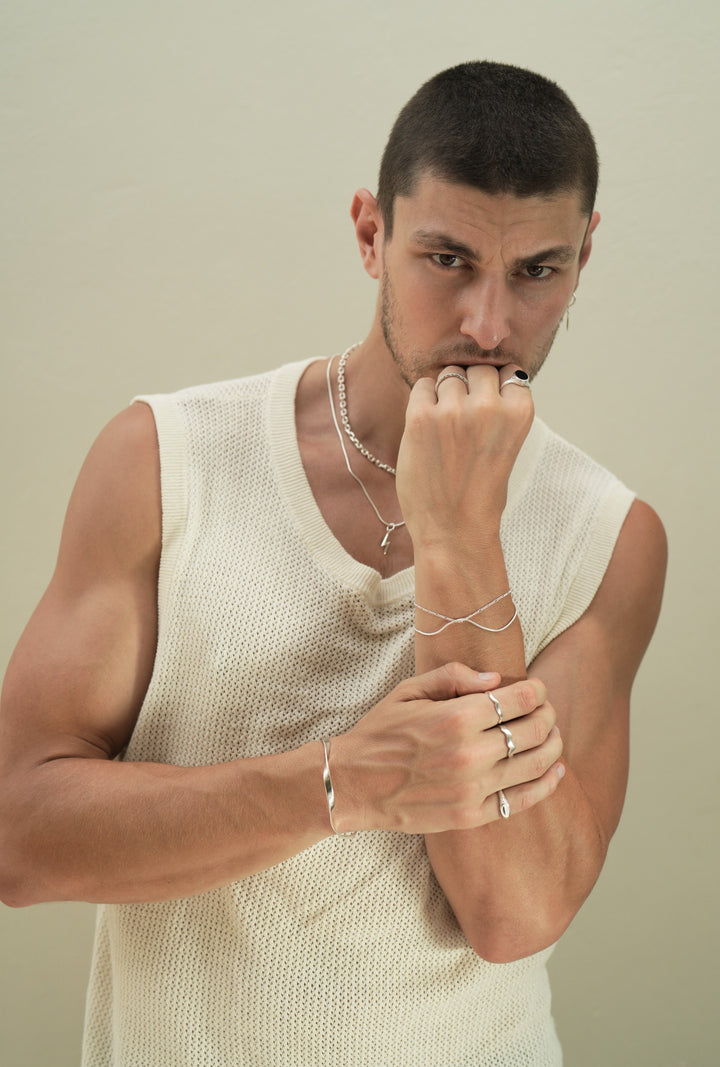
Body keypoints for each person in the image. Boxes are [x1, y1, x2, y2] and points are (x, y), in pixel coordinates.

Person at [0, 60, 666, 1066]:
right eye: (447, 259)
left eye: (538, 270)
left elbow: (515, 913)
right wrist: (341, 783)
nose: (489, 324)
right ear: (370, 233)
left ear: (584, 255)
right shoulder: (165, 459)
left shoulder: (609, 536)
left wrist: (459, 537)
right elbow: (20, 836)